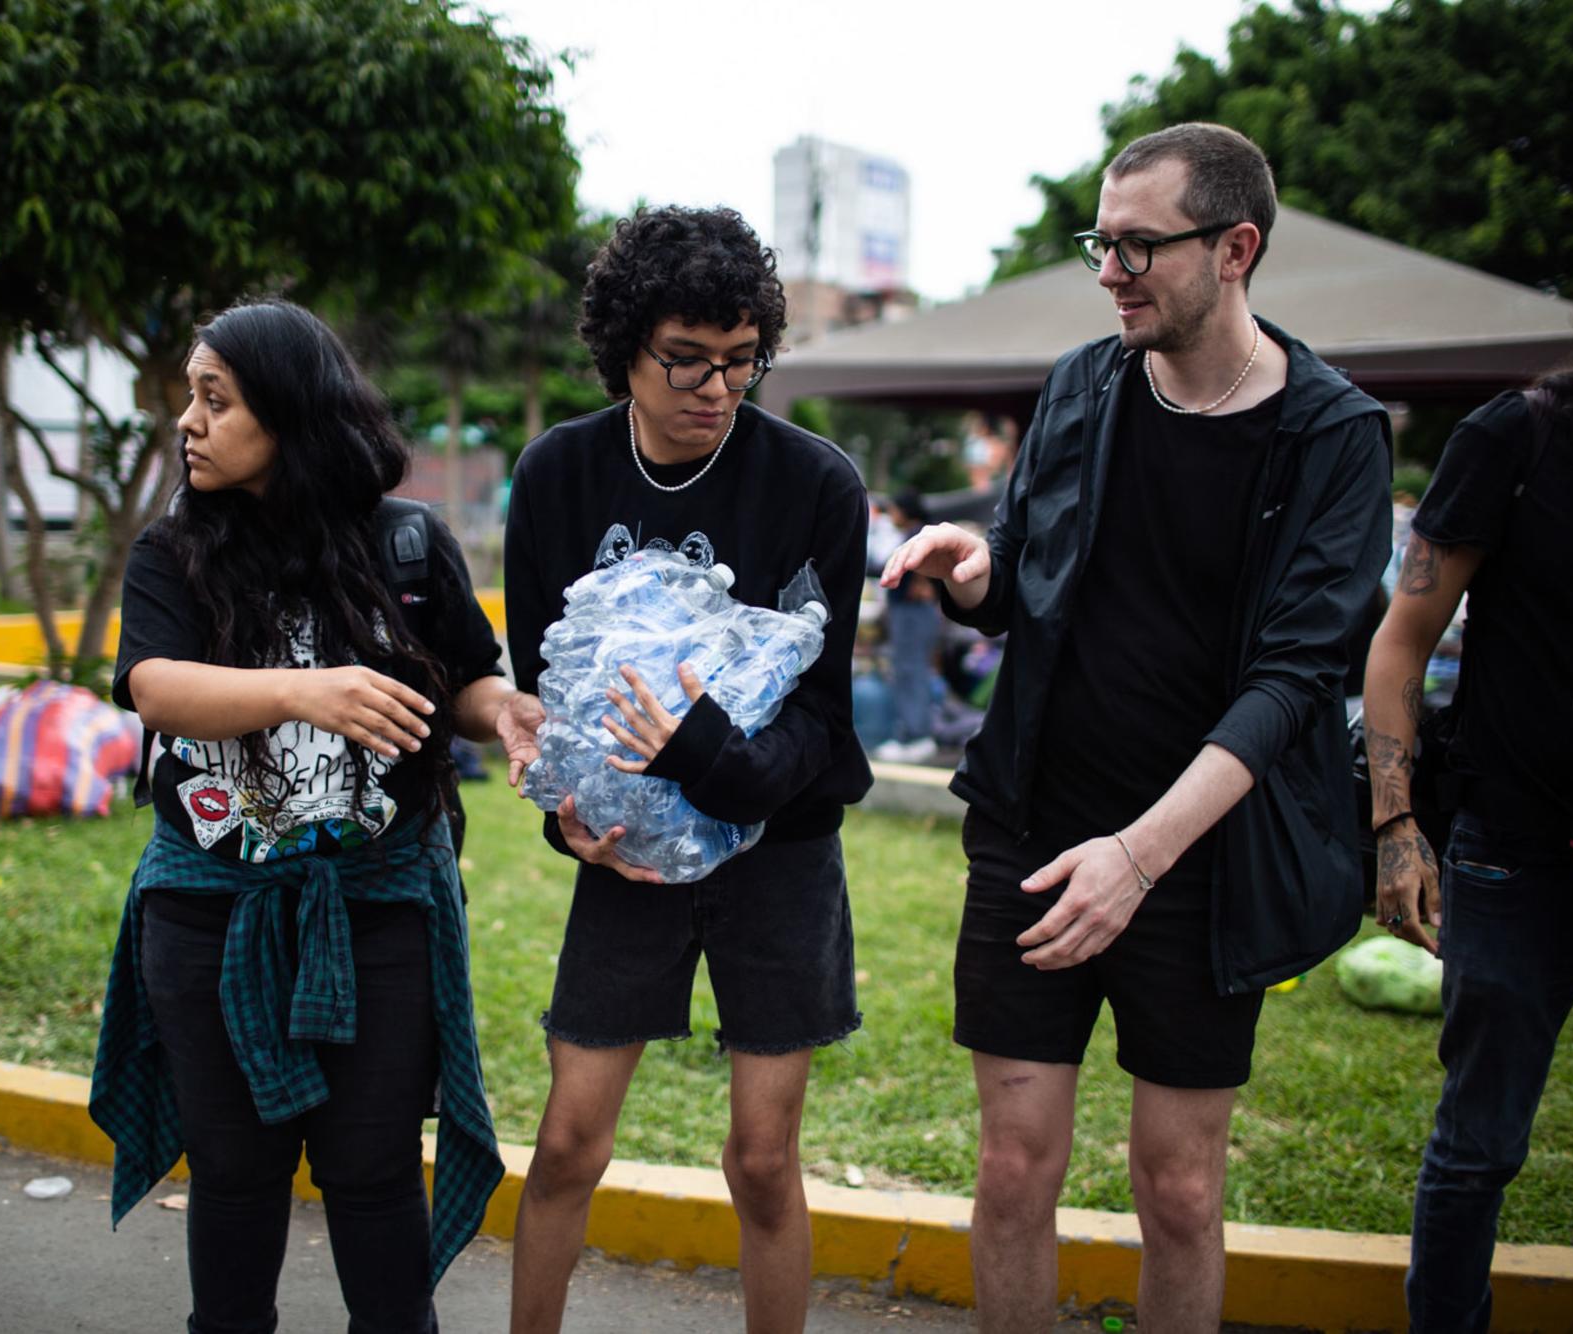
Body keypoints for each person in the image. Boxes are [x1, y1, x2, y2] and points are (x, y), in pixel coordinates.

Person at [883, 124, 1391, 1331]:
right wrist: (971, 570)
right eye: (1098, 244)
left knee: (1176, 1190)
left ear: (1234, 247)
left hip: (1197, 860)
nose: (1107, 271)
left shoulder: (1331, 436)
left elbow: (1289, 683)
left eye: (1134, 247)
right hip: (1034, 830)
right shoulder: (1081, 380)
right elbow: (1024, 580)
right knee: (1010, 1170)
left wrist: (1139, 854)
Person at [89, 299, 519, 1334]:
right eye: (187, 396)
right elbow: (151, 684)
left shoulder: (406, 544)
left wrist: (501, 707)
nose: (187, 422)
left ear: (287, 413)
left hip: (378, 908)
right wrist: (302, 689)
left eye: (215, 399)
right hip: (208, 911)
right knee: (235, 1173)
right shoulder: (172, 551)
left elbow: (459, 678)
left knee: (370, 1172)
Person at [497, 205, 872, 1334]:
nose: (716, 387)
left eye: (741, 361)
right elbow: (546, 691)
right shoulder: (558, 474)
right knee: (567, 1140)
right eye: (687, 360)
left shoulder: (815, 482)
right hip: (623, 856)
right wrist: (564, 819)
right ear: (624, 351)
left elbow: (816, 713)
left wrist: (708, 754)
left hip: (779, 848)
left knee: (761, 1159)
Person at [1366, 220, 1573, 1331]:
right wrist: (1394, 827)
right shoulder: (1516, 434)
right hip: (1513, 850)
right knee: (1477, 1142)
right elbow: (1399, 641)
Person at [874, 488, 942, 764]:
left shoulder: (919, 537)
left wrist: (923, 587)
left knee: (910, 670)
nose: (891, 514)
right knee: (909, 670)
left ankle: (916, 735)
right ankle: (912, 733)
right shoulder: (914, 535)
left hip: (914, 613)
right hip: (910, 613)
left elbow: (924, 577)